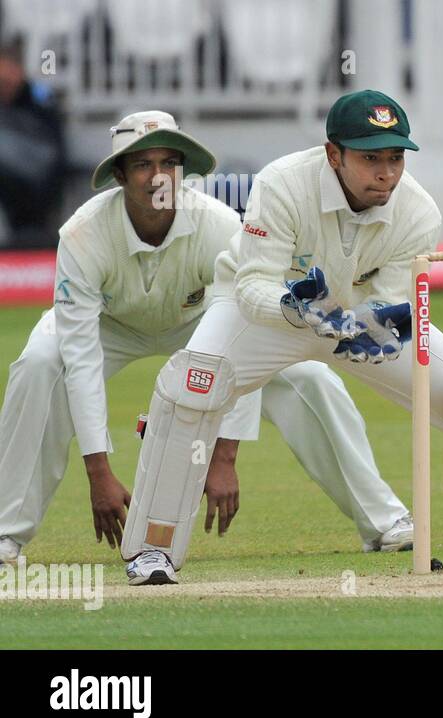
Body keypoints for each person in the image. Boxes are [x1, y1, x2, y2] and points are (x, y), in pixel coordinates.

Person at [118, 90, 443, 585]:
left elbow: (391, 299)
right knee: (190, 388)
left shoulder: (419, 213)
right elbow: (252, 284)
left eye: (395, 158)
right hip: (266, 316)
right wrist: (298, 309)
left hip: (352, 324)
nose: (386, 173)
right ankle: (152, 550)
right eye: (370, 158)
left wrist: (376, 329)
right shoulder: (283, 183)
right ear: (334, 155)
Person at [0, 111, 417, 568]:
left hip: (200, 321)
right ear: (118, 175)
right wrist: (98, 472)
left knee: (310, 377)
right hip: (108, 326)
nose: (159, 177)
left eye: (169, 163)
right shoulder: (83, 235)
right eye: (142, 165)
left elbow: (247, 328)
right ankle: (5, 534)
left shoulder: (216, 223)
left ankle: (383, 521)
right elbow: (80, 354)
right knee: (41, 363)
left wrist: (224, 456)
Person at [0, 39, 66, 249]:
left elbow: (54, 151)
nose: (5, 84)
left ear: (19, 71)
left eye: (8, 77)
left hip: (38, 192)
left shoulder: (39, 98)